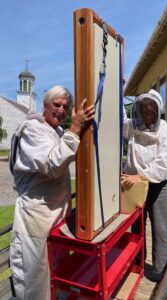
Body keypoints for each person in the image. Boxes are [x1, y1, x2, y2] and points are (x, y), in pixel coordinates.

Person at [9, 86, 95, 300]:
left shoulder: (56, 132)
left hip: (55, 221)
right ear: (45, 106)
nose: (62, 110)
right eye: (56, 105)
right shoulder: (32, 129)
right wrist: (74, 130)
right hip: (35, 222)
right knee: (36, 286)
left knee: (57, 278)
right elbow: (53, 164)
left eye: (65, 106)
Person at [122, 89, 167, 282]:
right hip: (135, 184)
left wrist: (142, 176)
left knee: (161, 228)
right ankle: (137, 263)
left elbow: (163, 165)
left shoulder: (165, 130)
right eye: (144, 106)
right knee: (136, 225)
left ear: (158, 109)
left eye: (152, 106)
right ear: (139, 109)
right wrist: (117, 90)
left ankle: (164, 272)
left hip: (157, 185)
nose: (148, 109)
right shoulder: (133, 126)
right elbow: (118, 120)